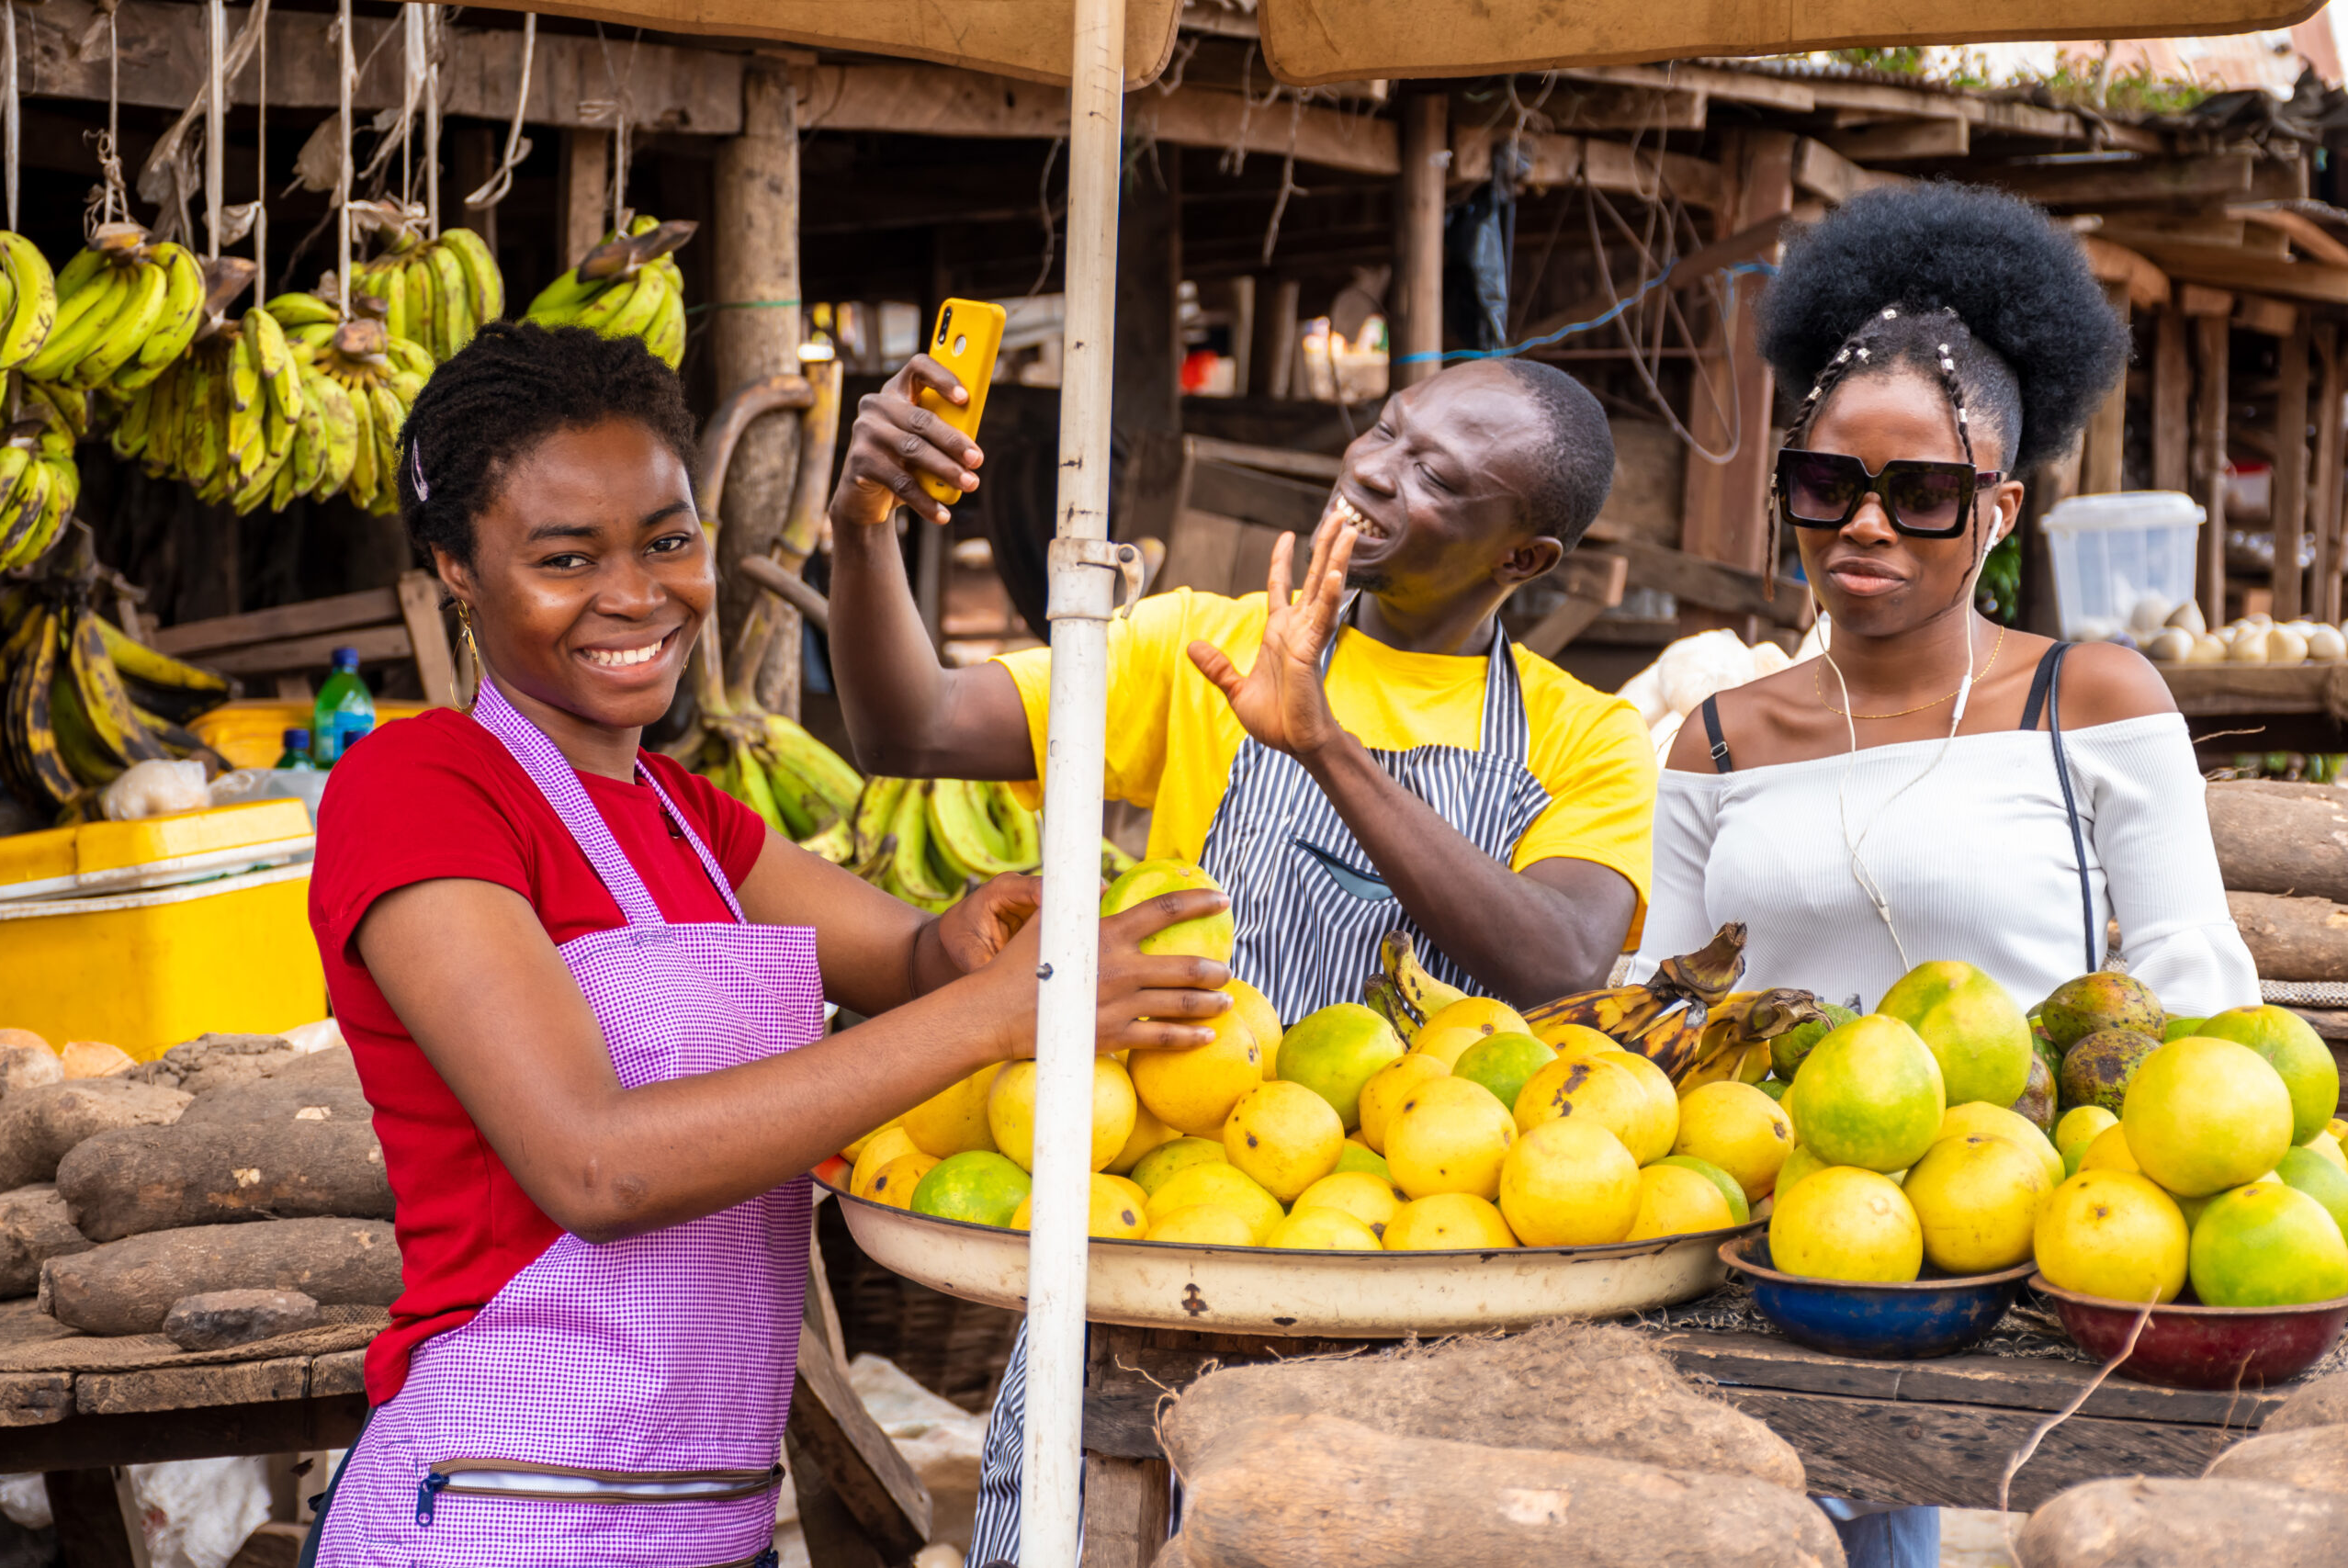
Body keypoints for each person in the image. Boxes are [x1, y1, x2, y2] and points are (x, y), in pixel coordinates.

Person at [299, 322, 1234, 1568]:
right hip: (499, 1509)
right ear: (456, 571)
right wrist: (1002, 1011)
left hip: (711, 1520)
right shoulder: (416, 788)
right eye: (566, 558)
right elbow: (595, 1170)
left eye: (669, 542)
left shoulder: (690, 821)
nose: (637, 596)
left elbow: (911, 964)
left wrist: (972, 942)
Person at [825, 354, 1658, 1562]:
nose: (1373, 470)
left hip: (1419, 1279)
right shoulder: (1190, 648)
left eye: (1436, 474)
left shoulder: (1585, 738)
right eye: (1383, 430)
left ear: (1522, 558)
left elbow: (1562, 964)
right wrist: (862, 529)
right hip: (1154, 1243)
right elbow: (907, 725)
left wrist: (1322, 742)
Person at [1631, 184, 2259, 1568]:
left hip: (2028, 1261)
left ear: (2001, 509)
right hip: (1770, 1257)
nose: (1865, 525)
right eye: (1826, 483)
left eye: (1920, 494)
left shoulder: (2087, 698)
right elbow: (1656, 1014)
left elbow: (2190, 985)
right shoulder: (1719, 736)